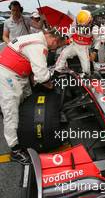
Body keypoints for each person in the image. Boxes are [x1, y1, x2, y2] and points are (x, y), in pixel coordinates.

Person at [0, 28, 62, 163]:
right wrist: (50, 84)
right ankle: (15, 149)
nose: (54, 49)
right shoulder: (39, 45)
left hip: (18, 73)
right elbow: (42, 75)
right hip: (8, 75)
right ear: (54, 40)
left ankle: (24, 129)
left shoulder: (35, 38)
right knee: (10, 110)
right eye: (57, 46)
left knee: (27, 98)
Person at [55, 10, 98, 76]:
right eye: (79, 25)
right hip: (74, 45)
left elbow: (97, 40)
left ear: (90, 21)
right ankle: (56, 72)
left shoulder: (94, 28)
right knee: (63, 53)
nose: (81, 27)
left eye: (83, 25)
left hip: (84, 48)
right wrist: (66, 37)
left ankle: (87, 76)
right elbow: (71, 31)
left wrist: (94, 52)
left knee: (86, 68)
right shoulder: (76, 22)